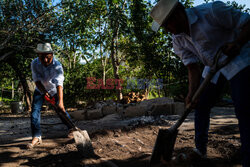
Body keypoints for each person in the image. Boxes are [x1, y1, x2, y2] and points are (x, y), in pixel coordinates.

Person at [150, 0, 250, 166]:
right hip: (213, 66)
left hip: (240, 58)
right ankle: (200, 151)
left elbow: (247, 22)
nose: (168, 30)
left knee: (244, 108)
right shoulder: (177, 39)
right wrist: (191, 94)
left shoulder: (212, 11)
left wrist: (238, 43)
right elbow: (192, 68)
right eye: (164, 27)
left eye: (168, 24)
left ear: (178, 13)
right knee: (200, 104)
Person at [27, 43, 73, 148]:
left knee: (60, 109)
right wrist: (43, 92)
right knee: (35, 111)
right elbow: (36, 80)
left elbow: (59, 83)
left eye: (48, 57)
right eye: (42, 58)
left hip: (55, 90)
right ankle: (37, 136)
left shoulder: (57, 65)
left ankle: (72, 128)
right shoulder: (34, 63)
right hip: (40, 90)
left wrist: (60, 102)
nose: (46, 60)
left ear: (52, 54)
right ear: (38, 55)